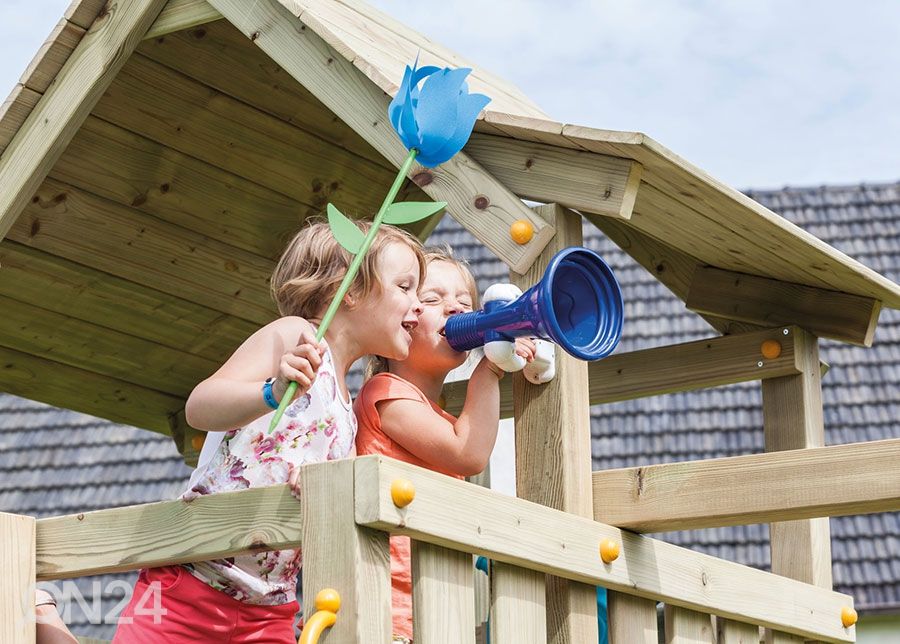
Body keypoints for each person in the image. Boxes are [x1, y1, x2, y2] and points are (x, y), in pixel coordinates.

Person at [112, 220, 425, 643]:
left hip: (269, 610)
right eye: (405, 287)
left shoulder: (347, 408)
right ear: (349, 290)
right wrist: (271, 392)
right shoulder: (293, 337)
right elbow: (199, 406)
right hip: (190, 585)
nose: (418, 304)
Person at [354, 247, 536, 643]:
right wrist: (489, 371)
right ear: (402, 320)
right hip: (387, 608)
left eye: (464, 302)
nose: (454, 308)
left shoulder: (445, 420)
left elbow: (468, 440)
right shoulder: (384, 394)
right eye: (433, 299)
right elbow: (468, 454)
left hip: (434, 605)